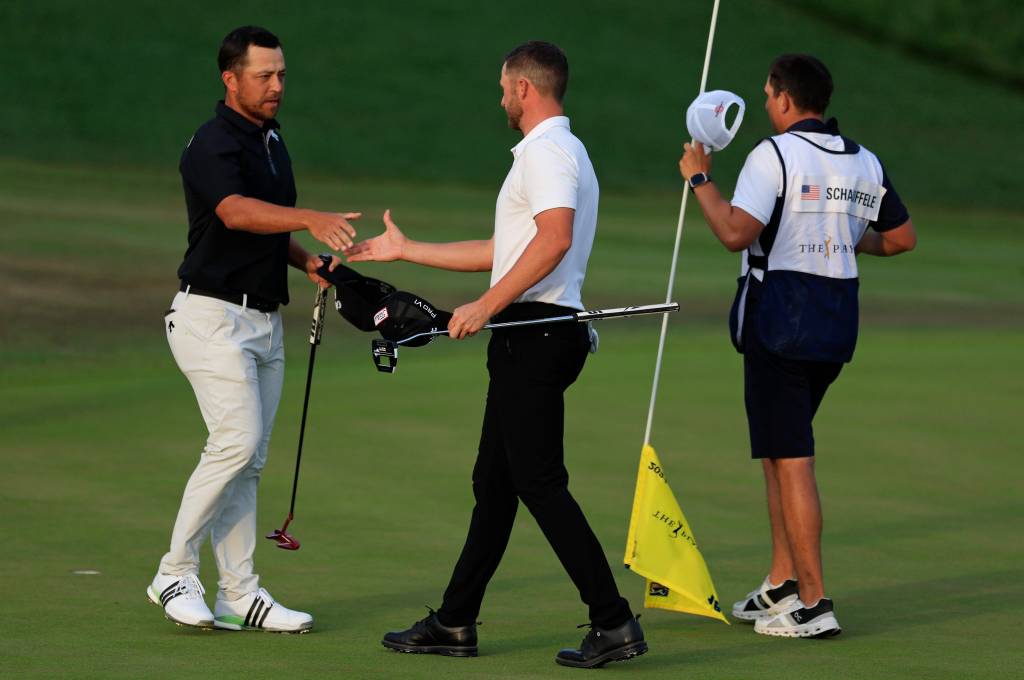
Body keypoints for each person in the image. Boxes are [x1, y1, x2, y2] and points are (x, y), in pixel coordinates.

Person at [347, 41, 646, 668]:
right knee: (496, 484)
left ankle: (613, 621)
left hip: (535, 333)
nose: (501, 98)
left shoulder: (547, 152)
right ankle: (455, 622)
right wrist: (408, 250)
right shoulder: (558, 152)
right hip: (533, 333)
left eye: (504, 88)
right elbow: (505, 249)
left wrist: (485, 306)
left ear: (524, 90)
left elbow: (555, 239)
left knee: (538, 482)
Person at [679, 54, 917, 638]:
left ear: (786, 100)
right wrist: (839, 234)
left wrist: (699, 179)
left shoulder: (773, 154)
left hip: (780, 319)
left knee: (793, 458)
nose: (764, 103)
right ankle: (782, 581)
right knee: (780, 451)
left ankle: (813, 602)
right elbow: (902, 238)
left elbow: (736, 231)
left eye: (767, 94)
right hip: (836, 323)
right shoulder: (864, 159)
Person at [148, 25, 358, 633]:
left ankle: (239, 592)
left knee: (252, 459)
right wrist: (312, 217)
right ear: (230, 78)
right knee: (235, 442)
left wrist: (304, 258)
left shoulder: (271, 139)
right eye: (264, 75)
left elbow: (264, 227)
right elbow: (235, 211)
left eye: (282, 74)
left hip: (264, 322)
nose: (276, 86)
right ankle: (172, 571)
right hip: (210, 316)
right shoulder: (211, 142)